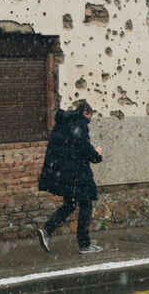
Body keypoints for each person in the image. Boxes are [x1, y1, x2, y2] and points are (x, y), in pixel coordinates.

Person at [37, 100, 104, 254]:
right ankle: (84, 244)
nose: (89, 120)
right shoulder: (80, 123)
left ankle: (47, 230)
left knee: (70, 204)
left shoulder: (63, 122)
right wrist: (96, 154)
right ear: (86, 113)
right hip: (77, 173)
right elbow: (83, 147)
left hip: (64, 173)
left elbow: (67, 146)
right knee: (86, 204)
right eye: (90, 116)